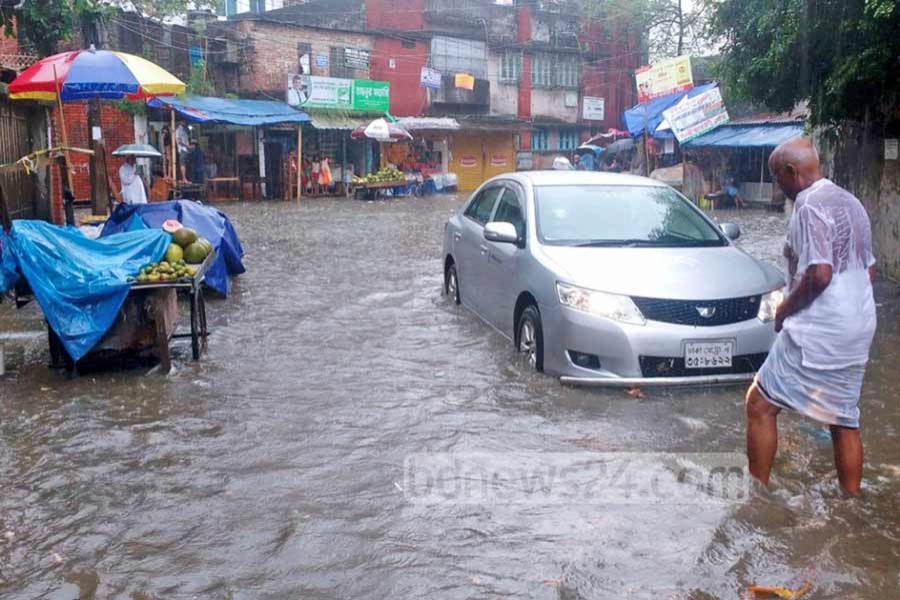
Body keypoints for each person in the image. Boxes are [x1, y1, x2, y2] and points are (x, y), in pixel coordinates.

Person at [746, 137, 877, 496]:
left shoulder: (807, 204)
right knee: (843, 417)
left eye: (778, 178)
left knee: (759, 404)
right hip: (859, 325)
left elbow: (820, 274)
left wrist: (783, 310)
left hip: (820, 329)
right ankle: (851, 501)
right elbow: (869, 271)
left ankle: (756, 497)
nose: (779, 187)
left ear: (792, 171)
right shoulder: (851, 202)